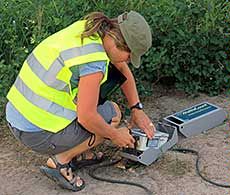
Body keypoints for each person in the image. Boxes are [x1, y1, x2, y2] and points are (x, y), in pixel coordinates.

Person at [5, 10, 155, 191]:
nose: (129, 61)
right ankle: (61, 161)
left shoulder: (90, 29)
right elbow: (86, 117)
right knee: (111, 116)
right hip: (36, 132)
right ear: (120, 44)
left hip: (17, 115)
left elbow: (121, 67)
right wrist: (116, 135)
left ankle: (80, 153)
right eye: (130, 56)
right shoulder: (93, 62)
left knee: (103, 111)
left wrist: (136, 108)